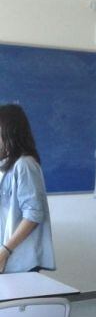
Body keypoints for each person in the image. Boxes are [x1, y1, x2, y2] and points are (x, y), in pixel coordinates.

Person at [0, 104, 55, 273]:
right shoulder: (5, 165)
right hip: (7, 254)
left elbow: (33, 215)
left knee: (19, 292)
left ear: (10, 133)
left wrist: (5, 250)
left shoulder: (25, 164)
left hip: (18, 258)